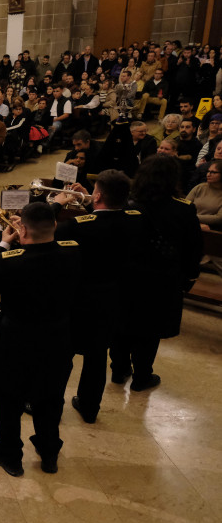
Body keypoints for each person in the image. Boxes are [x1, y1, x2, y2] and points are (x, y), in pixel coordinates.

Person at [0, 202, 81, 476]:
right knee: (50, 398)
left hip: (16, 339)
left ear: (22, 229)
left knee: (8, 398)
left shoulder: (8, 261)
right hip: (57, 338)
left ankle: (10, 456)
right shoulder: (73, 253)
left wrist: (4, 244)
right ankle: (49, 454)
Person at [53, 170, 148, 423]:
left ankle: (50, 404)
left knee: (62, 355)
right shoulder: (136, 218)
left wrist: (56, 203)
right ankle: (89, 407)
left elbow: (45, 232)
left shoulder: (76, 227)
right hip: (115, 298)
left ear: (98, 195)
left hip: (79, 300)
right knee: (96, 356)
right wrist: (89, 200)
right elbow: (114, 213)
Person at [110, 156, 202, 391]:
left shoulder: (128, 205)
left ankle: (118, 371)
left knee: (121, 325)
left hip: (126, 277)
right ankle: (142, 377)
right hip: (163, 279)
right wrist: (190, 277)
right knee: (149, 331)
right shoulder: (183, 208)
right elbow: (194, 246)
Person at [186, 159, 222, 231]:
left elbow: (219, 218)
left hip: (213, 229)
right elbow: (184, 206)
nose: (208, 174)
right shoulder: (200, 187)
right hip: (189, 223)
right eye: (208, 171)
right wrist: (193, 219)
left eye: (213, 172)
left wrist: (192, 218)